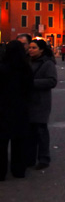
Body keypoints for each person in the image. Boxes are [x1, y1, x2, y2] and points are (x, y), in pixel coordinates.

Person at [0, 41, 33, 180]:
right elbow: (29, 88)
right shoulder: (26, 68)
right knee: (19, 141)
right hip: (20, 108)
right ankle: (19, 170)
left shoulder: (2, 68)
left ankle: (1, 172)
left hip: (2, 108)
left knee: (1, 142)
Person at [27, 39, 58, 170]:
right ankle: (30, 158)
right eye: (30, 47)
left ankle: (44, 158)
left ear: (41, 50)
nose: (30, 50)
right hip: (29, 101)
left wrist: (32, 83)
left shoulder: (48, 64)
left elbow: (52, 81)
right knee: (30, 132)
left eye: (34, 48)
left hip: (41, 101)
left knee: (41, 131)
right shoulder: (27, 62)